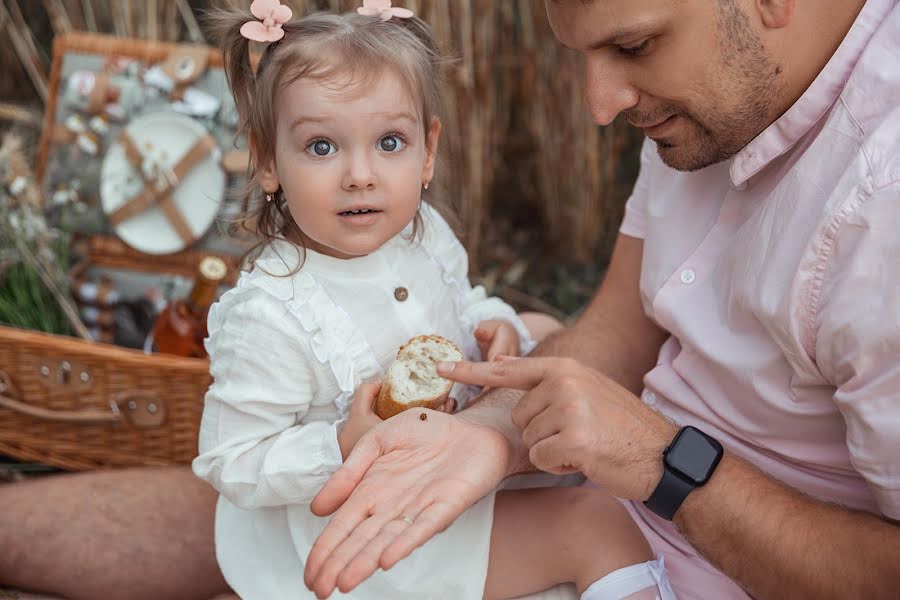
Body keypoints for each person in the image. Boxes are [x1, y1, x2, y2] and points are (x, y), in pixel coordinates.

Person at [301, 0, 900, 599]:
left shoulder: (881, 207)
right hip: (599, 504)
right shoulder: (718, 96)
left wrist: (663, 464)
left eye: (634, 48)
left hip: (702, 565)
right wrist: (486, 433)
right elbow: (621, 327)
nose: (601, 104)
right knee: (251, 532)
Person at [191, 2, 673, 600]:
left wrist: (490, 322)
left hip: (450, 466)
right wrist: (342, 443)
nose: (360, 174)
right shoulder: (271, 313)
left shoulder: (423, 233)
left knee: (537, 325)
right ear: (267, 160)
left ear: (429, 151)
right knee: (596, 525)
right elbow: (231, 458)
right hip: (376, 532)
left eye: (390, 141)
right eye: (321, 147)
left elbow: (460, 300)